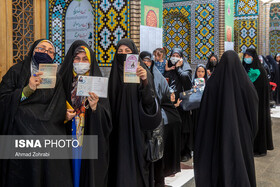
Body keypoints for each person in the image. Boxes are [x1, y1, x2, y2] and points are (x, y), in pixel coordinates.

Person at [0, 39, 73, 187]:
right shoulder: (17, 71)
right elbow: (3, 99)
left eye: (50, 51)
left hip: (48, 125)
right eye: (42, 48)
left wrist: (64, 115)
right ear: (33, 50)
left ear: (53, 57)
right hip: (22, 126)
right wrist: (28, 89)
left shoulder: (56, 78)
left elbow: (58, 105)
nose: (45, 52)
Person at [194, 50, 259, 187]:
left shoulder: (212, 84)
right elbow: (253, 112)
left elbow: (204, 114)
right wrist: (249, 133)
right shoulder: (246, 85)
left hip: (215, 136)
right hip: (241, 136)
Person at [108, 39, 162, 187]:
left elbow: (150, 102)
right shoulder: (113, 75)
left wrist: (144, 80)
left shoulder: (143, 71)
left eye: (127, 51)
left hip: (138, 130)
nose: (124, 54)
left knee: (138, 165)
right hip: (118, 130)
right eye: (120, 51)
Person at [59, 40, 112, 187]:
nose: (80, 62)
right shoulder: (62, 81)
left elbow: (107, 119)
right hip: (66, 135)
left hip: (88, 136)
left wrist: (95, 108)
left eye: (85, 59)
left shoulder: (98, 83)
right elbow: (51, 107)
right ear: (71, 60)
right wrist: (62, 114)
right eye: (77, 58)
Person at [140, 51, 182, 187]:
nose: (146, 63)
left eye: (148, 60)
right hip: (141, 121)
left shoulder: (158, 77)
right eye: (143, 60)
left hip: (157, 122)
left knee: (157, 154)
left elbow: (164, 98)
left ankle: (159, 181)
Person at [243, 48, 274, 156]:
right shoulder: (246, 69)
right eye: (245, 56)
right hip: (250, 103)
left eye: (248, 56)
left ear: (254, 57)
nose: (246, 58)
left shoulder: (259, 71)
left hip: (259, 105)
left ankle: (260, 149)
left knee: (259, 123)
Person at [164, 48, 192, 162]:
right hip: (170, 102)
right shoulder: (168, 68)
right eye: (173, 55)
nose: (174, 57)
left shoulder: (186, 68)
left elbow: (186, 80)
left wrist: (179, 68)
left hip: (182, 102)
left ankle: (184, 151)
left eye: (177, 55)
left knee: (183, 127)